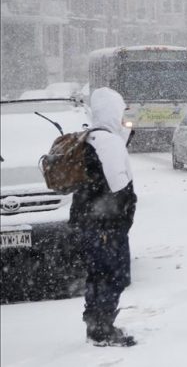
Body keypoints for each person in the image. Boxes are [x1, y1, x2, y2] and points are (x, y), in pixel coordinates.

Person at [70, 87, 137, 347]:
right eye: (119, 112)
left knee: (98, 274)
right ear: (112, 112)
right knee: (114, 275)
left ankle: (96, 326)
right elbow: (118, 186)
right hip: (105, 224)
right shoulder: (108, 142)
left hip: (91, 221)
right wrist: (120, 221)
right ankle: (103, 329)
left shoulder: (91, 138)